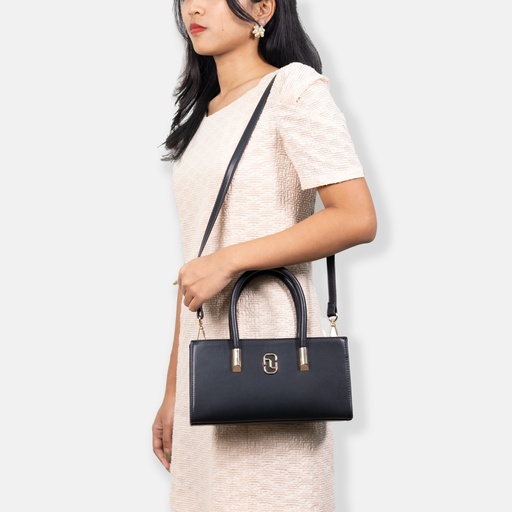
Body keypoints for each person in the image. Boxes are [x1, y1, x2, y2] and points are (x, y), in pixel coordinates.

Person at [152, 0, 377, 510]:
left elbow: (356, 216)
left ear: (262, 7)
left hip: (276, 364)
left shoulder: (293, 88)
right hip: (208, 375)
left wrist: (230, 260)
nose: (194, 7)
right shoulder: (204, 114)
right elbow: (196, 265)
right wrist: (173, 391)